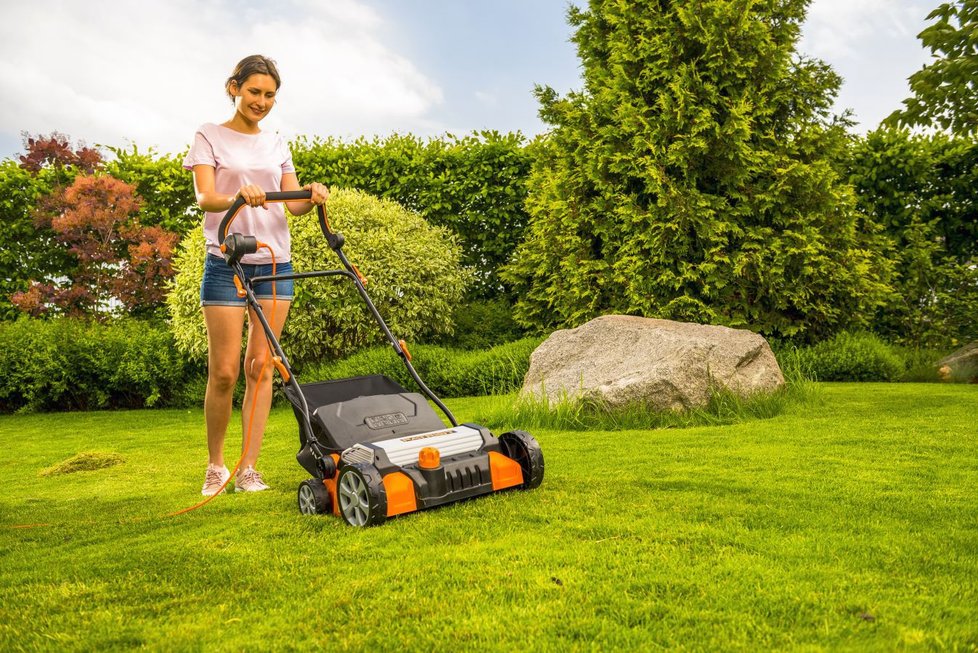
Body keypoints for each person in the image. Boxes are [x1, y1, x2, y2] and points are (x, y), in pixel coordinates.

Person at [183, 54, 329, 495]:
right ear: (234, 88)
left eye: (269, 95)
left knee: (261, 366)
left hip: (273, 263)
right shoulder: (208, 135)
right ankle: (216, 465)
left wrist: (313, 194)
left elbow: (293, 201)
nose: (261, 101)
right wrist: (238, 194)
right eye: (254, 92)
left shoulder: (277, 143)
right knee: (225, 371)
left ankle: (249, 468)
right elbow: (206, 198)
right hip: (226, 260)